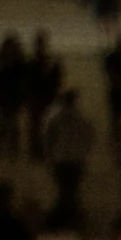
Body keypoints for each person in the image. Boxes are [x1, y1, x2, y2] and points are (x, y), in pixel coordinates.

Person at [41, 94, 95, 230]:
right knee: (72, 189)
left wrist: (49, 155)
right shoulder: (81, 118)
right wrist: (83, 152)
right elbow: (89, 135)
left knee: (64, 188)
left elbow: (47, 137)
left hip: (61, 159)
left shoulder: (55, 118)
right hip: (75, 160)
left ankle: (66, 214)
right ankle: (71, 214)